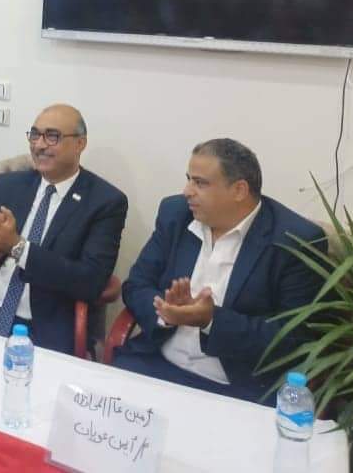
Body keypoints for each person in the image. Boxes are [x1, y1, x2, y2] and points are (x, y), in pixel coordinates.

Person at [113, 138, 326, 404]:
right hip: (155, 364)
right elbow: (137, 284)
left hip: (236, 387)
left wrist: (211, 320)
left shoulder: (295, 240)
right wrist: (165, 312)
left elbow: (293, 336)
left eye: (200, 183)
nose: (187, 191)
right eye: (189, 179)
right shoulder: (175, 214)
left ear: (239, 190)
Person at [0, 104, 128, 355]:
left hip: (44, 325)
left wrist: (18, 248)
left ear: (80, 143)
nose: (39, 145)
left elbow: (90, 281)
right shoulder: (7, 186)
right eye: (34, 135)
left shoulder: (104, 202)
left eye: (52, 136)